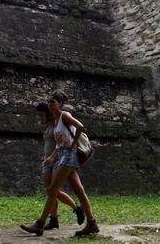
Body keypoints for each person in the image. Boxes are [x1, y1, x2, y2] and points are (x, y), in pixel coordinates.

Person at [21, 91, 99, 236]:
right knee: (79, 191)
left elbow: (80, 126)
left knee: (52, 190)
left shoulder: (65, 115)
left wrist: (73, 143)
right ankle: (92, 223)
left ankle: (40, 224)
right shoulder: (56, 121)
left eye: (53, 102)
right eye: (49, 102)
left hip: (69, 156)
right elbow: (60, 144)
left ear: (60, 104)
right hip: (63, 155)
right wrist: (52, 156)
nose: (50, 105)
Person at [36, 102, 85, 230]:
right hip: (47, 161)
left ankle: (76, 208)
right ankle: (54, 219)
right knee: (50, 191)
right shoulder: (48, 126)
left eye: (41, 115)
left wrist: (55, 155)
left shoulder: (57, 125)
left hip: (58, 160)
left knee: (54, 191)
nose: (39, 117)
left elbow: (62, 143)